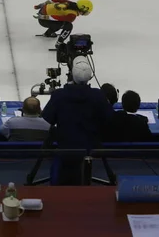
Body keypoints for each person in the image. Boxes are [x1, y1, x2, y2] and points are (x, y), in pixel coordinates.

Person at [41, 57, 114, 185]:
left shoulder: (59, 95)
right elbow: (108, 118)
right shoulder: (98, 96)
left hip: (65, 146)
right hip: (90, 145)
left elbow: (48, 118)